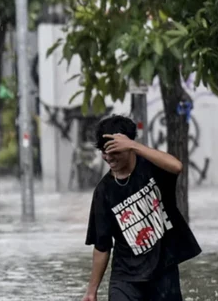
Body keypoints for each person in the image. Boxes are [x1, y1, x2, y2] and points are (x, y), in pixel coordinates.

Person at [82, 115, 201, 301]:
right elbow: (102, 246)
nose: (109, 158)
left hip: (163, 270)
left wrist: (134, 146)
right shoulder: (103, 192)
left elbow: (177, 166)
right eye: (105, 152)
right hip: (125, 278)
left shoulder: (152, 167)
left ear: (129, 146)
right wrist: (91, 291)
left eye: (115, 152)